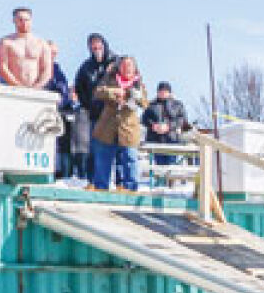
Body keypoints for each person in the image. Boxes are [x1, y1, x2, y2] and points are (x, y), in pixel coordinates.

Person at [91, 55, 148, 191]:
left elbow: (145, 103)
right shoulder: (109, 78)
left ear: (135, 68)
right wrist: (114, 92)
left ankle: (130, 188)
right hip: (107, 127)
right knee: (103, 159)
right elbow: (97, 92)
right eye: (123, 65)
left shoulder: (138, 84)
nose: (126, 68)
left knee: (130, 158)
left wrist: (136, 96)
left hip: (129, 128)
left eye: (129, 65)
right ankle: (101, 188)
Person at [74, 33, 116, 179]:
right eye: (93, 46)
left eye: (99, 45)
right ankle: (93, 180)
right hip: (95, 114)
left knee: (116, 149)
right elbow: (79, 87)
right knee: (94, 148)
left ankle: (120, 183)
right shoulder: (86, 67)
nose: (96, 48)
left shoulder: (116, 62)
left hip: (114, 114)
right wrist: (88, 105)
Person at [42, 41, 78, 178]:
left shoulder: (57, 70)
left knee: (61, 145)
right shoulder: (34, 67)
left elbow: (63, 92)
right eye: (50, 53)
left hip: (56, 112)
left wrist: (61, 103)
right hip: (38, 112)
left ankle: (62, 175)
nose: (52, 56)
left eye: (55, 54)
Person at [0, 7, 51, 88]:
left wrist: (37, 87)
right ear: (14, 21)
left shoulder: (41, 44)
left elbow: (47, 69)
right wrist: (18, 86)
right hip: (11, 89)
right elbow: (3, 68)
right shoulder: (5, 43)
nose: (24, 23)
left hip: (36, 90)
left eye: (27, 20)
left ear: (31, 21)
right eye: (20, 20)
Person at [142, 81, 190, 166]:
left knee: (171, 165)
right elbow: (144, 119)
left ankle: (170, 179)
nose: (163, 93)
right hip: (155, 140)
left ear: (170, 92)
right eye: (161, 91)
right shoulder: (150, 105)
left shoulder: (178, 105)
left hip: (172, 140)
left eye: (165, 91)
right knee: (159, 166)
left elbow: (182, 120)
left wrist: (169, 127)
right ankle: (161, 179)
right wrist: (153, 126)